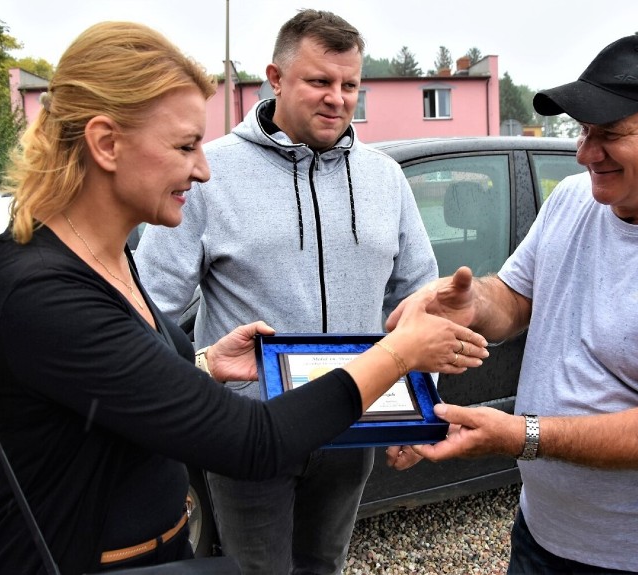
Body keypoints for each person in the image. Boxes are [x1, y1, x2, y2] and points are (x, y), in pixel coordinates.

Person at [0, 21, 489, 575]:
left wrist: (202, 364)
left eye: (350, 85)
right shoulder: (43, 290)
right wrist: (400, 354)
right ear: (106, 143)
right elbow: (251, 442)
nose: (203, 168)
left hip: (311, 450)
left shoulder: (104, 256)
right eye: (186, 145)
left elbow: (124, 367)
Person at [387, 35, 638, 574]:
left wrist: (520, 434)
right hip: (540, 532)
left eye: (610, 134)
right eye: (584, 132)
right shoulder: (572, 200)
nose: (584, 153)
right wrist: (473, 305)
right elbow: (514, 299)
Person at [134, 9, 439, 575]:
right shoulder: (210, 173)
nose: (337, 98)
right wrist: (184, 403)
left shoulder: (384, 177)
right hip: (248, 435)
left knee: (324, 565)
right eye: (319, 81)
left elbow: (419, 294)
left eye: (350, 85)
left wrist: (422, 406)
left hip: (355, 424)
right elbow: (150, 306)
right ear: (275, 78)